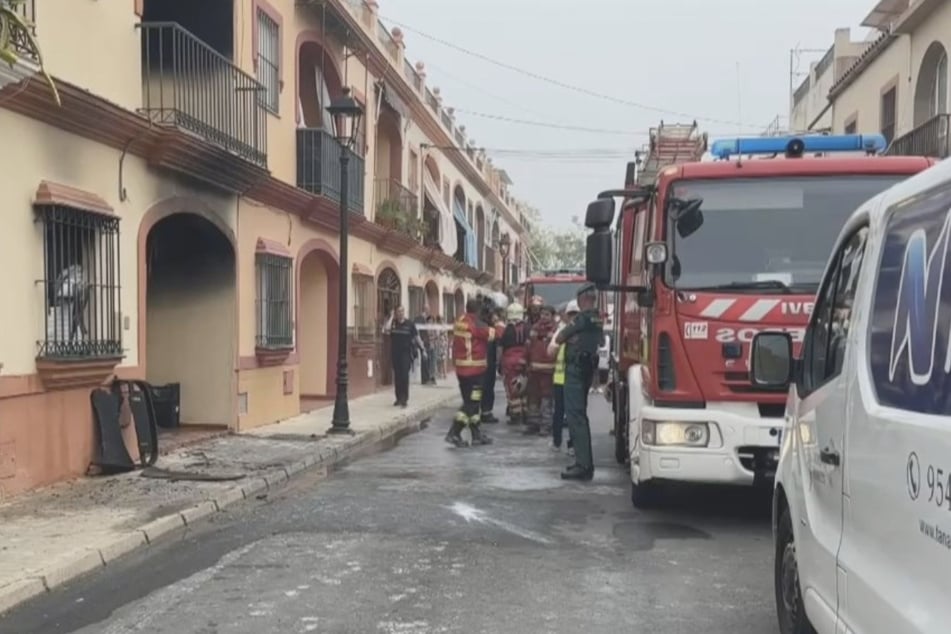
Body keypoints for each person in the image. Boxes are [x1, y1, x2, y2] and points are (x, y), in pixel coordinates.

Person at [555, 285, 603, 480]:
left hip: (575, 371)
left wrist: (570, 336)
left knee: (575, 417)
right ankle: (584, 463)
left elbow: (560, 337)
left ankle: (583, 465)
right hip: (586, 369)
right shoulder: (597, 318)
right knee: (580, 416)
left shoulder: (582, 319)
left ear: (583, 299)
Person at [447, 298, 497, 447]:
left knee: (473, 405)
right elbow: (496, 334)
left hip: (462, 371)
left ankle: (476, 435)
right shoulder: (476, 324)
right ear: (478, 311)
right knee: (471, 403)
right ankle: (454, 432)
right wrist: (498, 321)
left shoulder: (461, 320)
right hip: (475, 373)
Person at [548, 301, 579, 455]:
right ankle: (566, 444)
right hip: (568, 379)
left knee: (565, 413)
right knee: (569, 413)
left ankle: (561, 442)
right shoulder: (567, 331)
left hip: (568, 379)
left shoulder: (562, 332)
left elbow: (550, 352)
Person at [525, 305, 557, 436]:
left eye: (547, 314)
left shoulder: (555, 330)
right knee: (533, 399)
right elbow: (528, 346)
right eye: (542, 314)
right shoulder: (534, 328)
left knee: (546, 400)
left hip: (548, 372)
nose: (543, 317)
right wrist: (526, 363)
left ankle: (545, 426)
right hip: (534, 370)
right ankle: (533, 424)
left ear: (552, 316)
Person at [384, 306, 425, 408]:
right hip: (395, 353)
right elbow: (386, 329)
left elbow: (416, 337)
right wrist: (391, 317)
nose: (400, 313)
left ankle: (404, 398)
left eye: (402, 311)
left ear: (404, 312)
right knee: (397, 376)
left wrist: (422, 349)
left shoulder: (410, 324)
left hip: (406, 353)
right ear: (396, 313)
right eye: (398, 312)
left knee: (404, 375)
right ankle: (398, 398)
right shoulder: (393, 324)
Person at [499, 302, 529, 425]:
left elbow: (500, 348)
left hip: (509, 362)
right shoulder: (528, 328)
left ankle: (516, 414)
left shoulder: (506, 330)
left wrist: (499, 364)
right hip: (524, 360)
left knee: (512, 388)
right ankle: (526, 413)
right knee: (525, 387)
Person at [480, 306, 504, 424]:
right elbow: (500, 337)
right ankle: (486, 413)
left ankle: (477, 412)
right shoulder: (490, 330)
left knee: (478, 389)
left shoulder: (475, 326)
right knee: (487, 388)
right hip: (487, 363)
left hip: (475, 364)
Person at [414, 307, 434, 385]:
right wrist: (420, 342)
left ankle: (427, 378)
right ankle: (425, 379)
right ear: (425, 310)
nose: (429, 312)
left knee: (427, 360)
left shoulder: (424, 320)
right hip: (423, 342)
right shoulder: (420, 319)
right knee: (425, 360)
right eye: (428, 311)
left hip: (426, 342)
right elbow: (417, 331)